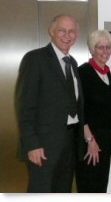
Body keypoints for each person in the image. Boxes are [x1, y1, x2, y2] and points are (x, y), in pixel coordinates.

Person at [15, 14, 84, 192]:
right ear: (52, 31)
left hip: (69, 143)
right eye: (62, 30)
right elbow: (25, 106)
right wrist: (32, 144)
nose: (67, 35)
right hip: (43, 146)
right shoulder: (35, 59)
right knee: (41, 191)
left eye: (72, 31)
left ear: (76, 36)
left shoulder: (73, 63)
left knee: (62, 191)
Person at [75, 30, 111, 193]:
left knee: (101, 184)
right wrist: (90, 140)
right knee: (89, 185)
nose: (105, 51)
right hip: (89, 139)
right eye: (100, 47)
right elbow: (79, 109)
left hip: (105, 138)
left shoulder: (107, 73)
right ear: (92, 49)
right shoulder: (83, 72)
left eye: (108, 47)